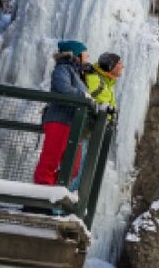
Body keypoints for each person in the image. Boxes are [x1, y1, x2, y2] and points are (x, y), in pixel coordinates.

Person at [33, 40, 91, 186]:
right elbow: (63, 88)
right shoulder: (63, 69)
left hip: (74, 124)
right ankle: (39, 197)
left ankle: (52, 191)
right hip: (60, 120)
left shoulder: (78, 74)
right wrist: (84, 96)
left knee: (73, 167)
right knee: (50, 159)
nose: (88, 56)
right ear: (76, 54)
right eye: (85, 53)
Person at [67, 52, 123, 191]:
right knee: (78, 166)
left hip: (94, 130)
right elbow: (89, 98)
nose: (122, 66)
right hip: (85, 128)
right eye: (119, 63)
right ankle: (62, 200)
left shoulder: (107, 82)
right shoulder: (94, 77)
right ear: (110, 66)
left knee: (85, 168)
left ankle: (71, 198)